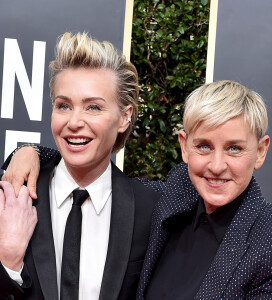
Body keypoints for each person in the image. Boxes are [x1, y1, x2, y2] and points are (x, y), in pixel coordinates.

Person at [4, 81, 272, 299]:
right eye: (204, 146)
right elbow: (108, 180)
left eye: (234, 149)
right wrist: (31, 152)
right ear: (184, 146)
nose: (217, 165)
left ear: (260, 152)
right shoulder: (178, 191)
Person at [0, 32, 160, 300]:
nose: (74, 122)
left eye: (93, 108)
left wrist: (31, 150)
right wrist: (6, 262)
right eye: (63, 106)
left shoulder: (151, 209)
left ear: (124, 117)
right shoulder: (12, 196)